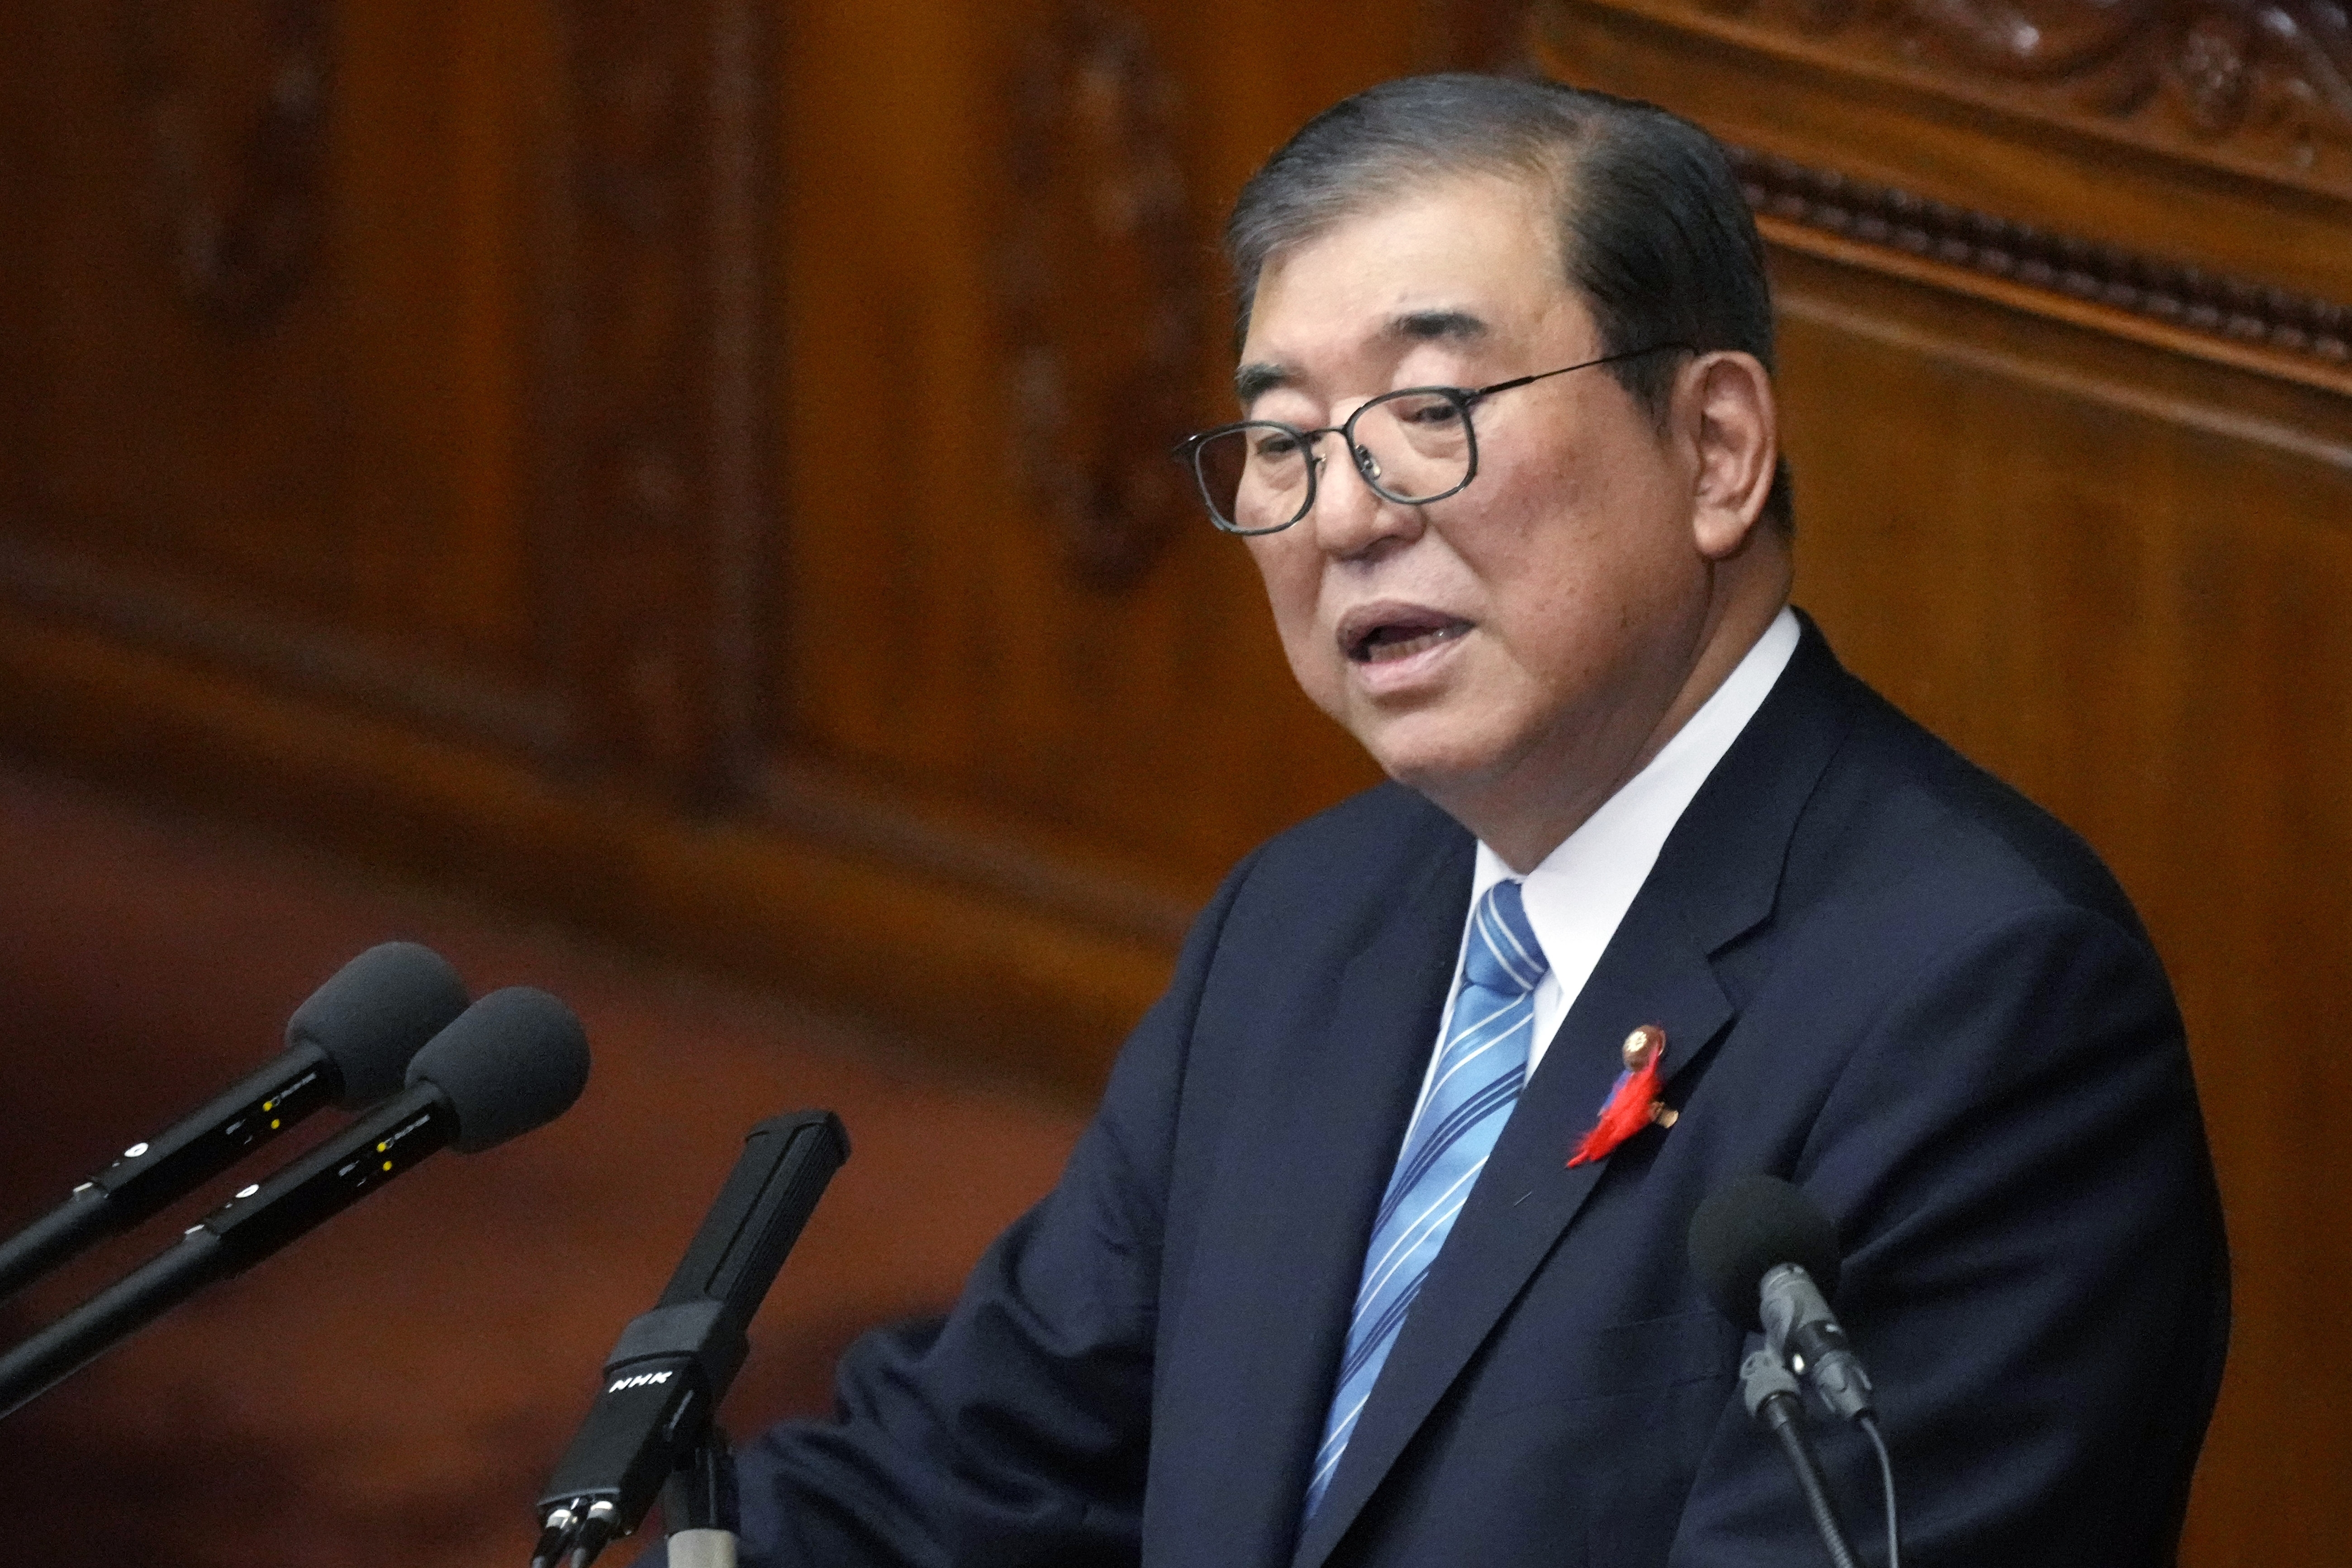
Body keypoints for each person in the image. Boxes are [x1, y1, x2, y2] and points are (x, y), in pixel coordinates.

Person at [656, 73, 2227, 1567]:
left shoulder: (1991, 1008)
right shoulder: (1308, 921)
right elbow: (974, 1470)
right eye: (1282, 441)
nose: (1345, 514)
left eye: (1430, 409)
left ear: (1716, 448)